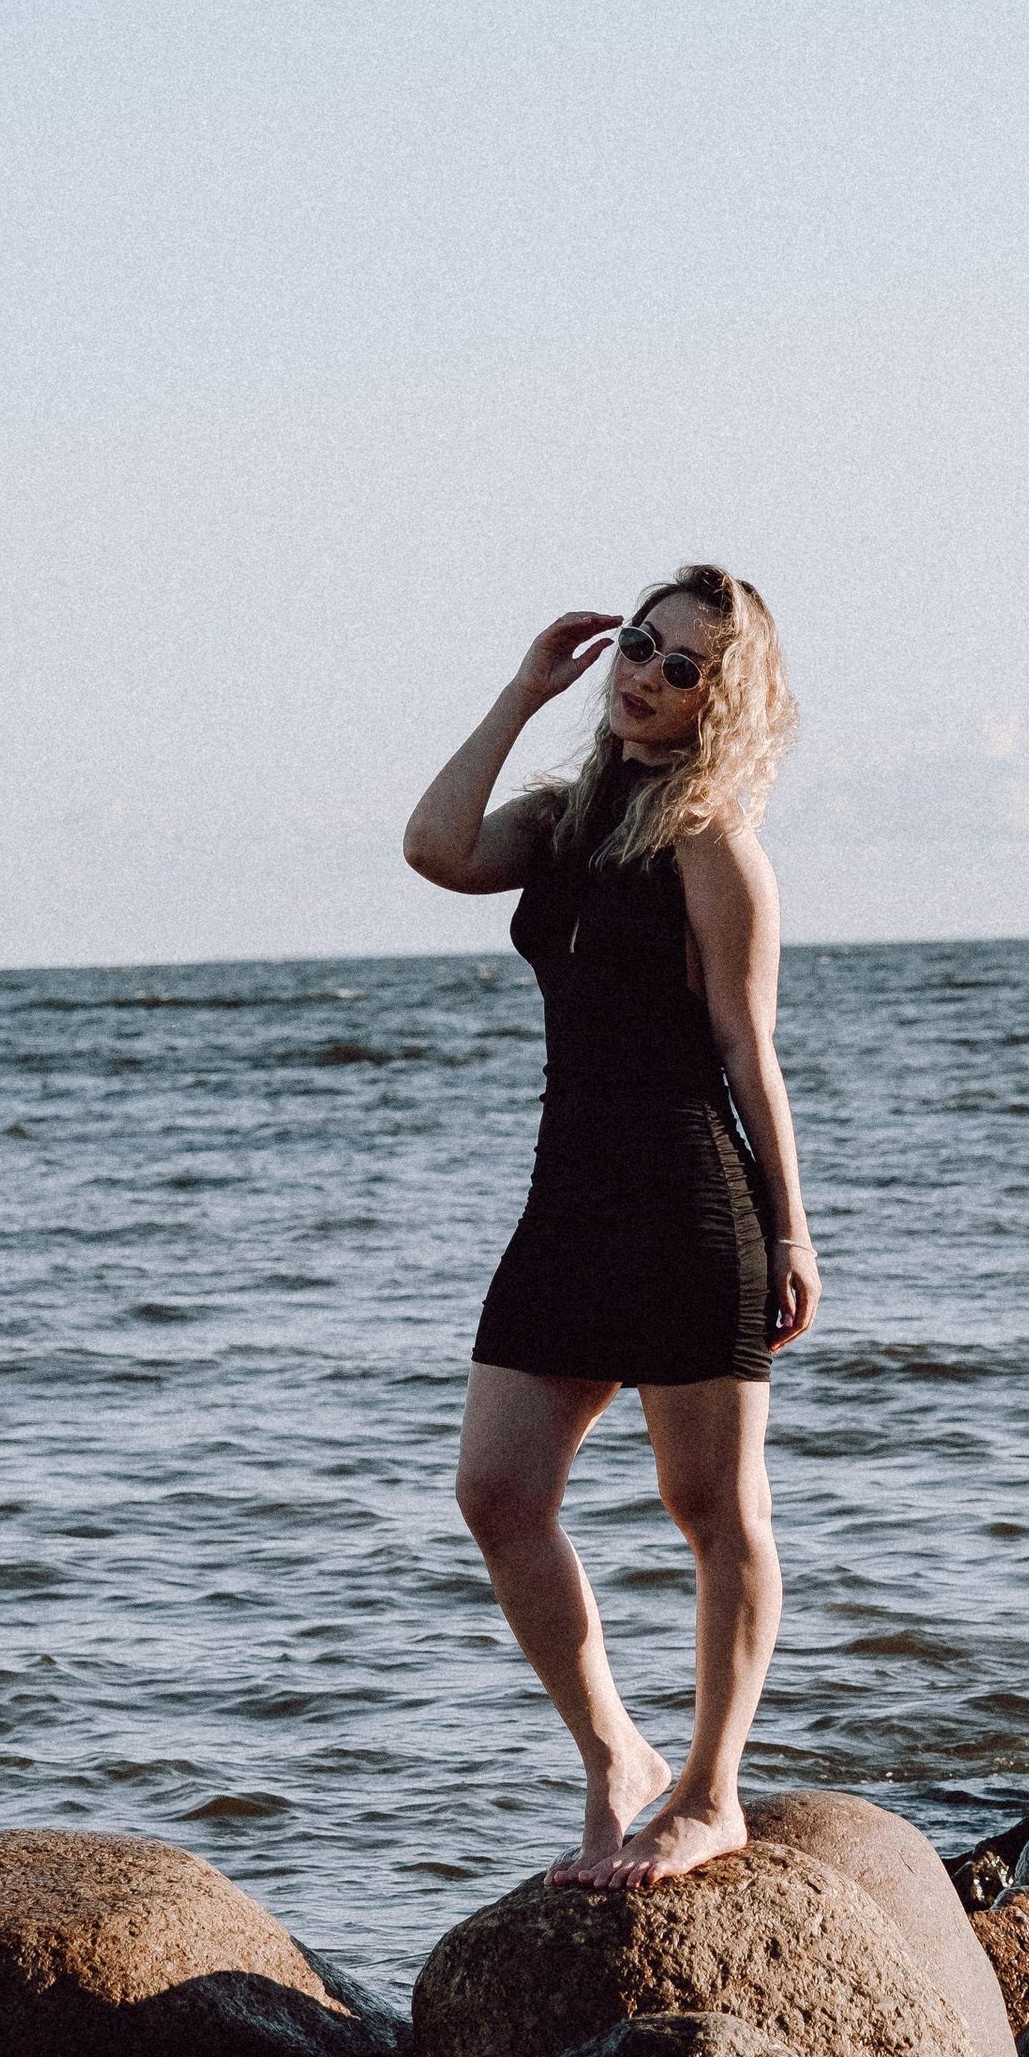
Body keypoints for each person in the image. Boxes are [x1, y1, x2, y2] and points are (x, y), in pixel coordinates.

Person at [403, 565, 818, 1886]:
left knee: (711, 1507)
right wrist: (524, 692)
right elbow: (434, 847)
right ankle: (615, 1759)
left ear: (723, 699)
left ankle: (711, 1792)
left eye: (684, 665)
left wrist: (794, 1231)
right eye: (641, 645)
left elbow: (751, 1055)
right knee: (498, 1492)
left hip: (694, 1197)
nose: (645, 673)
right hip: (570, 1200)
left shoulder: (714, 846)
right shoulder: (564, 819)